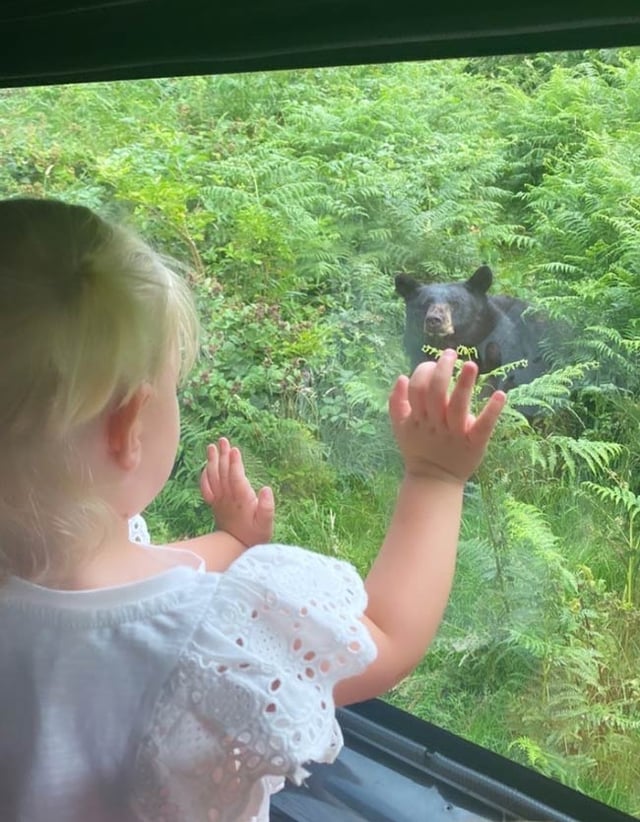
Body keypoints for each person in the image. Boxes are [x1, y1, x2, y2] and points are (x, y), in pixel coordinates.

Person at [0, 197, 506, 822]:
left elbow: (141, 571)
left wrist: (233, 543)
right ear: (127, 425)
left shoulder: (37, 560)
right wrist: (436, 476)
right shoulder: (196, 645)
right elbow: (388, 640)